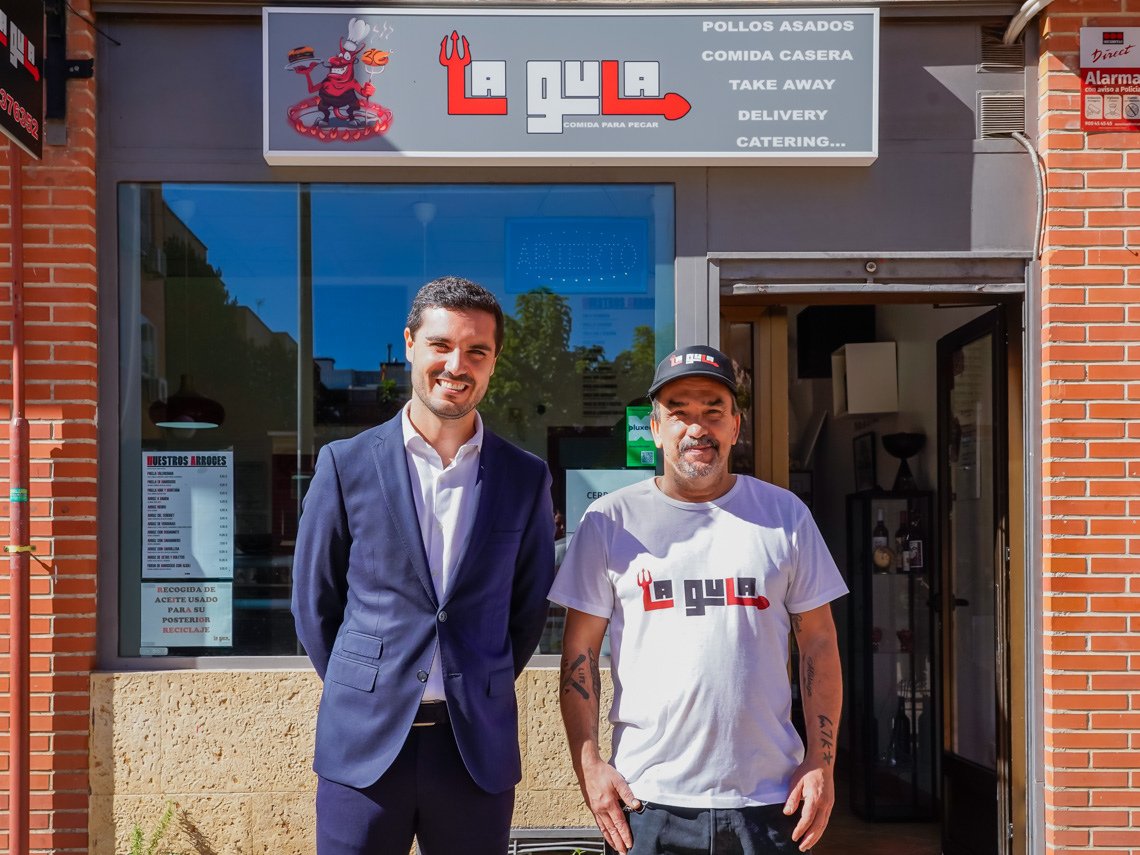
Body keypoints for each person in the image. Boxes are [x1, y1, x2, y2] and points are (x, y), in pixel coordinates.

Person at [292, 276, 556, 855]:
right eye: (440, 345)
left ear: (493, 361)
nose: (455, 365)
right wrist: (367, 684)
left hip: (472, 750)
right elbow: (316, 606)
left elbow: (528, 607)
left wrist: (476, 679)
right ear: (410, 344)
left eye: (476, 351)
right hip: (363, 745)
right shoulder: (345, 464)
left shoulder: (525, 477)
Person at [550, 344, 848, 855]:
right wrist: (590, 765)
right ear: (654, 427)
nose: (697, 427)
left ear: (736, 425)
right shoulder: (610, 523)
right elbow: (579, 652)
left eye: (713, 410)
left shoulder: (785, 515)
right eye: (679, 412)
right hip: (648, 803)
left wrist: (822, 761)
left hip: (770, 802)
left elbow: (818, 642)